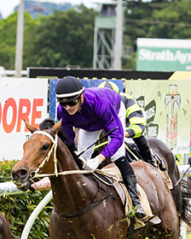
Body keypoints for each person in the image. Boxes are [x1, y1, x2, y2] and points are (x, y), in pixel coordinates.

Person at [54, 76, 147, 220]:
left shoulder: (100, 103)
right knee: (81, 161)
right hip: (88, 124)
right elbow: (68, 141)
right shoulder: (63, 110)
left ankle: (136, 202)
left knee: (118, 156)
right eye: (63, 103)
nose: (68, 108)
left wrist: (99, 159)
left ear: (81, 97)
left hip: (113, 110)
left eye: (72, 102)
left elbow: (117, 137)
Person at [97, 81, 157, 166]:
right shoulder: (95, 104)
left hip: (131, 120)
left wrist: (124, 133)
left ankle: (150, 161)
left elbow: (138, 126)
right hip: (112, 121)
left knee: (137, 136)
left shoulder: (128, 101)